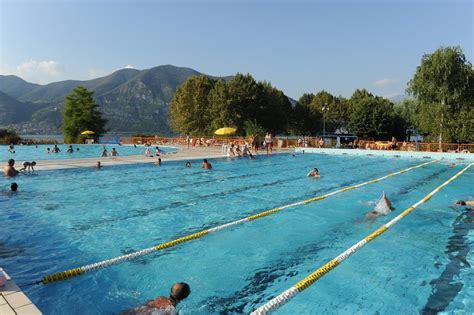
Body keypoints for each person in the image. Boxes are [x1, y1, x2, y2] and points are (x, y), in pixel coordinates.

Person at [126, 283, 191, 315]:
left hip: (132, 311)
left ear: (171, 291)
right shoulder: (172, 310)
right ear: (186, 296)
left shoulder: (160, 298)